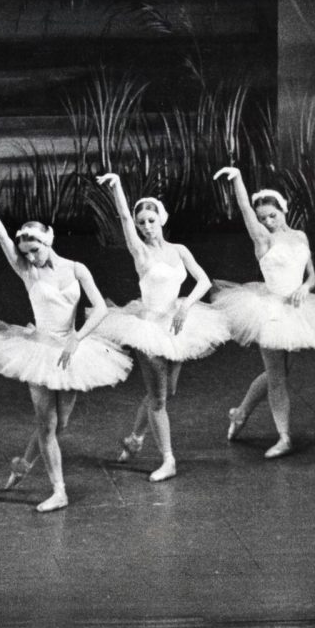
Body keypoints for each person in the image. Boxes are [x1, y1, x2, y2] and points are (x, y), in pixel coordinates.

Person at [0, 195, 129, 512]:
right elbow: (4, 241)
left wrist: (77, 338)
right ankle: (59, 490)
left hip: (72, 350)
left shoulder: (76, 269)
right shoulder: (28, 272)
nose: (31, 257)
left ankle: (24, 463)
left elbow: (101, 308)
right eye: (26, 253)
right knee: (47, 425)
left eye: (35, 249)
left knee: (60, 424)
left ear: (48, 240)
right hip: (38, 351)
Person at [93, 174, 228, 482]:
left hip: (177, 326)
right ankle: (168, 459)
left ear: (161, 219)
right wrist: (117, 186)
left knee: (168, 390)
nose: (146, 226)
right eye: (142, 222)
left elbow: (203, 281)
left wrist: (186, 305)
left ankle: (135, 439)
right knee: (158, 399)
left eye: (151, 220)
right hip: (148, 328)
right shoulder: (141, 253)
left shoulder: (179, 250)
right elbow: (123, 217)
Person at [214, 168, 315, 458]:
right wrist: (237, 178)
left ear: (283, 210)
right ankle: (284, 436)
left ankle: (240, 413)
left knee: (281, 371)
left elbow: (311, 276)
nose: (268, 222)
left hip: (296, 310)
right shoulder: (263, 240)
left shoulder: (299, 236)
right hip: (269, 310)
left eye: (272, 215)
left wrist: (306, 288)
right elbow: (245, 208)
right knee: (277, 376)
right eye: (263, 218)